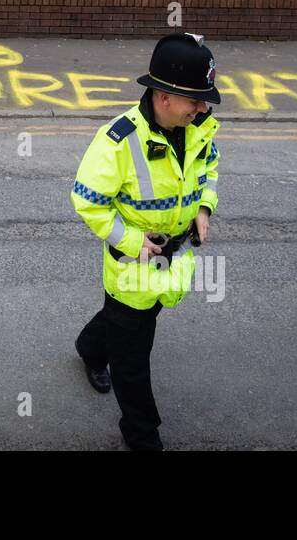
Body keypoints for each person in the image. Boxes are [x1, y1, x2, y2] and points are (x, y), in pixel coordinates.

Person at [70, 32, 222, 450]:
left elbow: (209, 168)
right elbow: (87, 202)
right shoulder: (118, 140)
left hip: (170, 257)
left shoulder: (198, 129)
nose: (203, 108)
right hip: (132, 264)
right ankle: (141, 433)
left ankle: (89, 347)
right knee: (132, 357)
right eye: (196, 99)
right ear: (164, 96)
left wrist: (204, 207)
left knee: (136, 319)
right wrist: (132, 240)